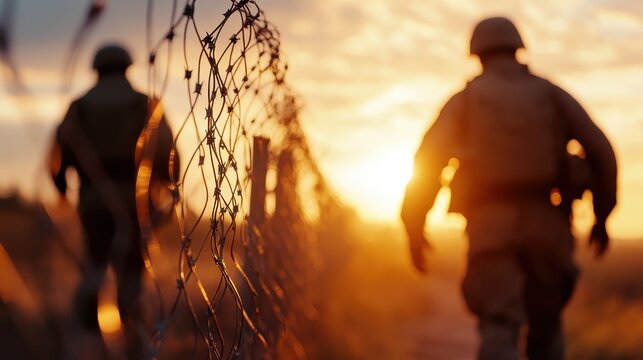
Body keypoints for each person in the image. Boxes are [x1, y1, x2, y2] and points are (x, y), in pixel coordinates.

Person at [401, 17, 617, 360]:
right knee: (547, 326)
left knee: (499, 325)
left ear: (477, 53)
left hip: (490, 226)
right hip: (548, 223)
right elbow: (601, 150)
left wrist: (414, 225)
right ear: (518, 48)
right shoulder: (550, 93)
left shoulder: (466, 100)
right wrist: (602, 216)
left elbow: (428, 161)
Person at [50, 44, 178, 357]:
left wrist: (63, 190)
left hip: (92, 201)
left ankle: (91, 338)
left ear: (96, 69)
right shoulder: (145, 103)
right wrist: (167, 190)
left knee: (95, 264)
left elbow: (58, 156)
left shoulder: (79, 106)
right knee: (132, 270)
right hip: (137, 202)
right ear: (126, 66)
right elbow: (167, 153)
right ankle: (132, 335)